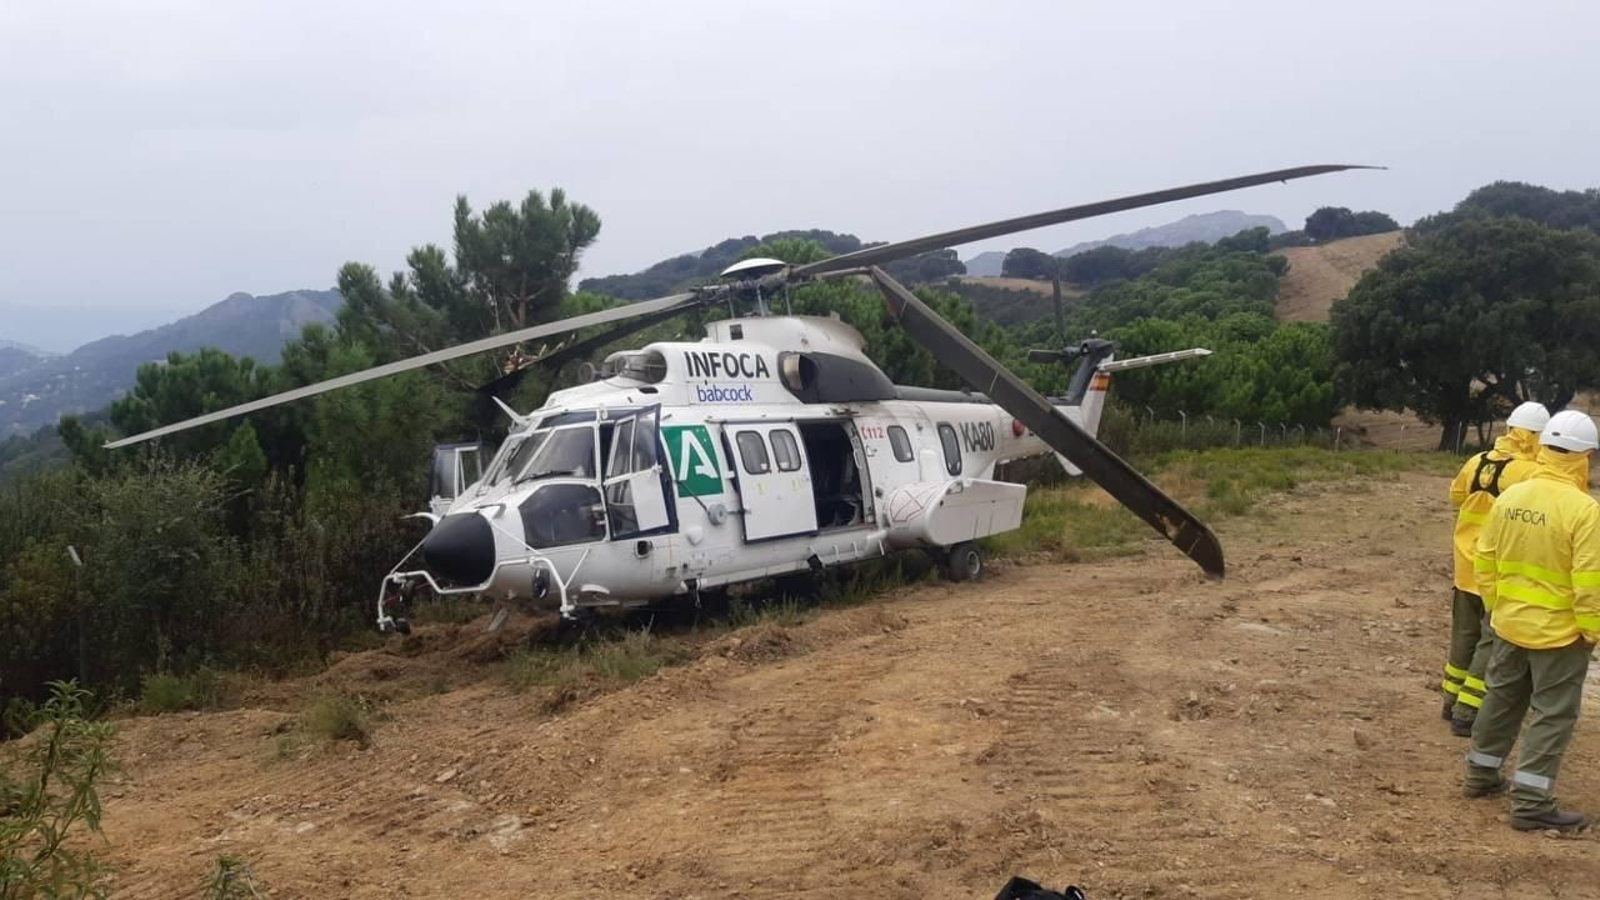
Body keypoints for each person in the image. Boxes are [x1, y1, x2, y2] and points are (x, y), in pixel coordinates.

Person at [1463, 409, 1600, 833]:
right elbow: (1589, 582)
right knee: (1552, 715)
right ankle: (1530, 802)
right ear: (1585, 457)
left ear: (1543, 449)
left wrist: (1497, 607)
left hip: (1508, 625)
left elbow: (1484, 559)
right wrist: (1591, 630)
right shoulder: (1584, 510)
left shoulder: (1512, 498)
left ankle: (1480, 775)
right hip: (1559, 636)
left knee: (1500, 700)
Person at [1442, 402, 1549, 735]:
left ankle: (1450, 701)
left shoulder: (1476, 461)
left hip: (1465, 564)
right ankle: (1467, 712)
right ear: (1535, 437)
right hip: (1498, 568)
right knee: (1491, 640)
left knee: (1463, 636)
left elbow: (1456, 496)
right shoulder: (1530, 472)